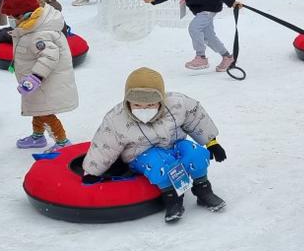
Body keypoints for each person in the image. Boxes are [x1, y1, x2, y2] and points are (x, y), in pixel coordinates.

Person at [82, 67, 228, 223]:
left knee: (196, 154)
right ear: (128, 101)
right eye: (137, 105)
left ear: (161, 100)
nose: (143, 109)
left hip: (174, 145)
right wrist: (93, 171)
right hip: (141, 154)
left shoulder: (177, 105)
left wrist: (211, 143)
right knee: (159, 163)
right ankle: (173, 198)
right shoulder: (117, 119)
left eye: (150, 105)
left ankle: (203, 189)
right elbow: (105, 143)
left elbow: (196, 118)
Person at [0, 0, 79, 153]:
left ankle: (61, 141)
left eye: (12, 17)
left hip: (44, 82)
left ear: (22, 14)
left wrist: (35, 77)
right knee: (37, 108)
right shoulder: (30, 27)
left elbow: (50, 56)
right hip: (36, 83)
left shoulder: (38, 34)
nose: (10, 20)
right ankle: (37, 136)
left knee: (44, 112)